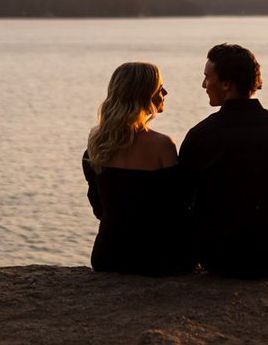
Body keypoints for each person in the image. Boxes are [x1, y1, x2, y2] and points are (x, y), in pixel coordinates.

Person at [178, 43, 268, 278]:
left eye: (207, 77)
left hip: (215, 257)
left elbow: (181, 192)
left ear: (226, 84)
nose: (203, 85)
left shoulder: (200, 134)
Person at [82, 62, 195, 276]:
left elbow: (100, 209)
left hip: (109, 255)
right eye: (160, 87)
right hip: (158, 259)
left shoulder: (96, 144)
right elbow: (178, 209)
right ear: (144, 95)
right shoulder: (162, 145)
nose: (165, 92)